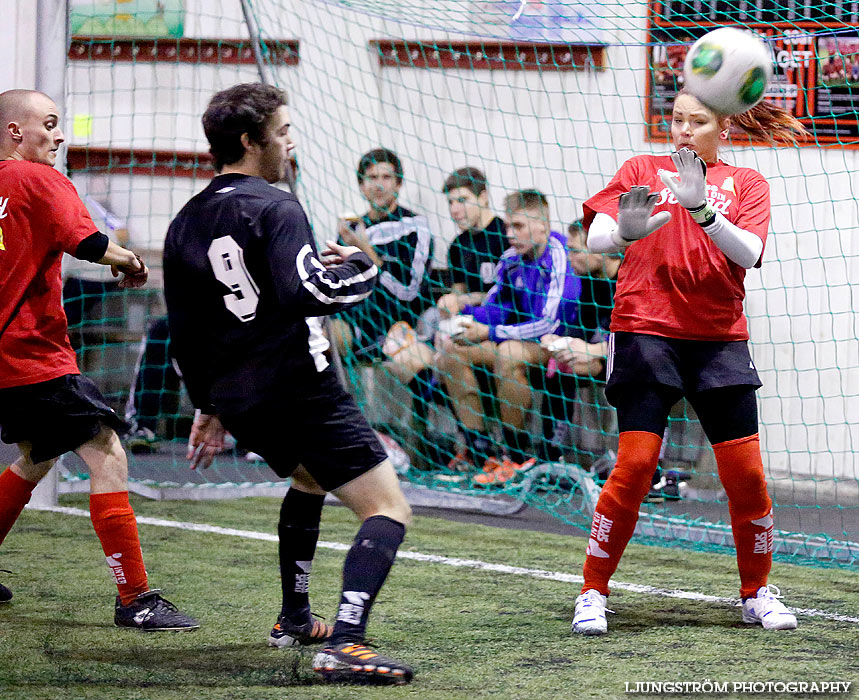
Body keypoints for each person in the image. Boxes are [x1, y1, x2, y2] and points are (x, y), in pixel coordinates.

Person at [163, 83, 413, 684]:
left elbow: (185, 330)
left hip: (244, 401)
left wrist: (208, 406)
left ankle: (296, 618)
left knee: (307, 480)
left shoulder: (185, 221)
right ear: (250, 142)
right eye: (281, 132)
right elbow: (312, 292)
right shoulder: (277, 206)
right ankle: (346, 645)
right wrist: (363, 267)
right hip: (300, 388)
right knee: (389, 508)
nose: (290, 143)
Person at [570, 91, 807, 635]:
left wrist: (702, 210)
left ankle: (757, 592)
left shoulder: (746, 182)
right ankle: (592, 592)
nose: (682, 130)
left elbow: (748, 252)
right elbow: (597, 234)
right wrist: (624, 232)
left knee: (745, 475)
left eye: (696, 122)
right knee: (635, 465)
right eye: (676, 120)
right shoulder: (641, 168)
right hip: (644, 327)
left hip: (719, 337)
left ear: (722, 127)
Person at [0, 89, 197, 630]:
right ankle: (135, 598)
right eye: (50, 123)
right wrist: (130, 261)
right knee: (108, 452)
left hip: (4, 357)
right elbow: (84, 240)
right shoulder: (38, 178)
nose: (60, 135)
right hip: (35, 354)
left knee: (36, 458)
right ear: (16, 131)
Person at [436, 189, 582, 485]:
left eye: (519, 227)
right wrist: (463, 314)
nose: (511, 234)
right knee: (453, 350)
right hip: (520, 339)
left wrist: (489, 332)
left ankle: (515, 456)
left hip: (564, 347)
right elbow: (495, 306)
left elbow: (549, 323)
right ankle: (481, 452)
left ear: (543, 224)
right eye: (508, 227)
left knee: (510, 353)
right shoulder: (511, 258)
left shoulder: (560, 254)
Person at [329, 148, 435, 386]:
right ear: (361, 185)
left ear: (398, 184)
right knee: (316, 338)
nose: (379, 185)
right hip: (355, 323)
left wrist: (365, 250)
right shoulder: (350, 229)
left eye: (386, 178)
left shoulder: (415, 228)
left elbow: (408, 292)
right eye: (372, 178)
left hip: (399, 324)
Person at [539, 219, 619, 462]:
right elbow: (582, 327)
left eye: (574, 250)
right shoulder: (591, 280)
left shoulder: (629, 278)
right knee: (559, 363)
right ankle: (552, 454)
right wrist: (561, 341)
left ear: (599, 248)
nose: (569, 257)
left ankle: (643, 462)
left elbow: (639, 340)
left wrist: (594, 350)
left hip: (637, 358)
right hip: (607, 354)